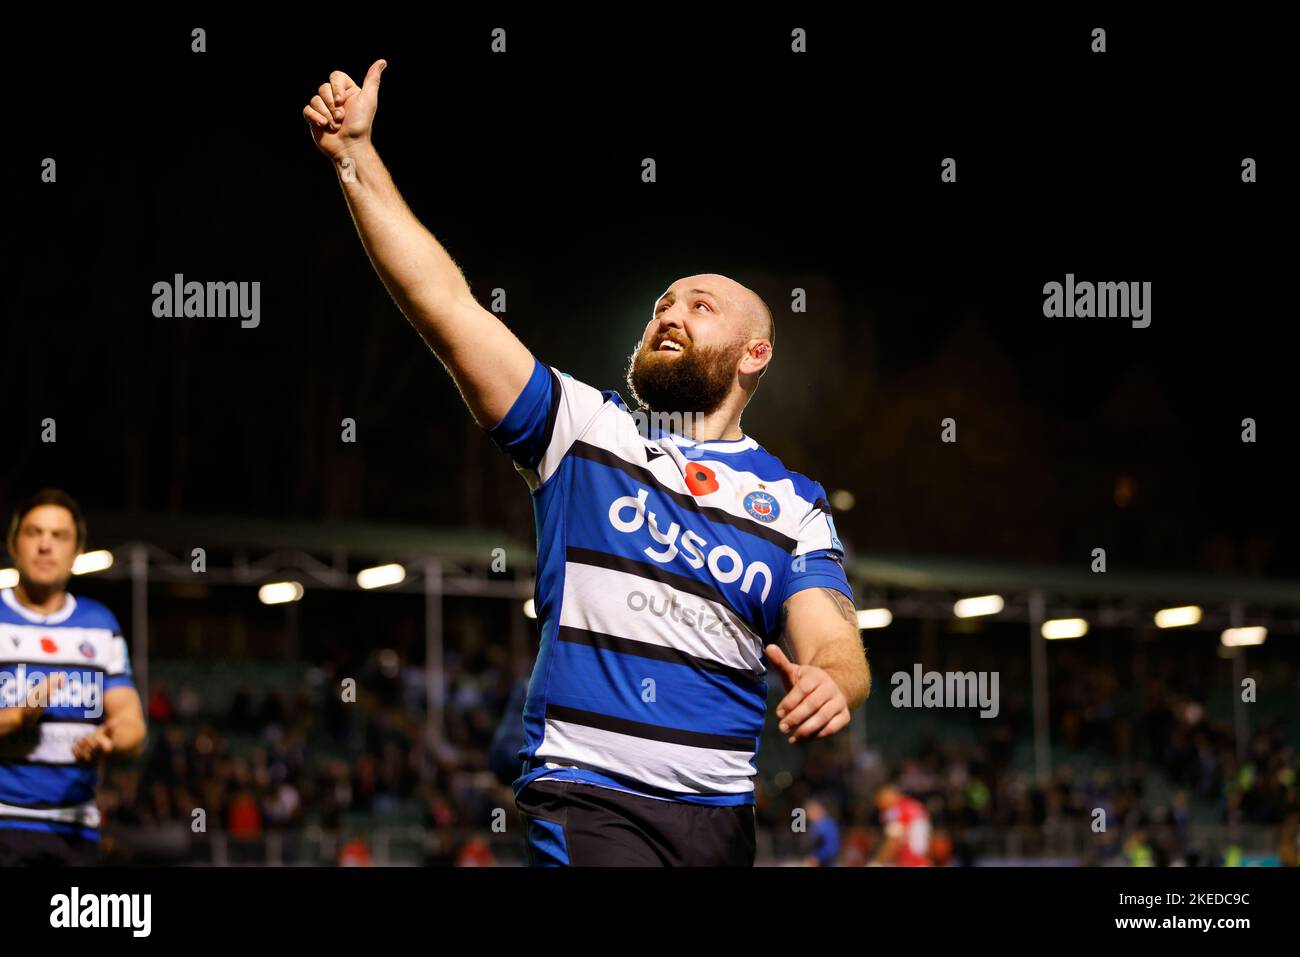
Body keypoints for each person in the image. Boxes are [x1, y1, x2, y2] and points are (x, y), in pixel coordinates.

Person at [304, 62, 871, 866]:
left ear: (756, 353)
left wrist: (829, 681)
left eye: (697, 305)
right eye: (659, 306)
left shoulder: (796, 503)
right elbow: (447, 305)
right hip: (590, 797)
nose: (668, 313)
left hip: (722, 822)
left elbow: (833, 642)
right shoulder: (582, 428)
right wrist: (355, 158)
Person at [0, 489, 146, 865]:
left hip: (76, 830)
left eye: (59, 536)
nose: (45, 546)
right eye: (34, 533)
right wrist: (18, 716)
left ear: (77, 551)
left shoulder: (101, 626)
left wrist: (112, 740)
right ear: (13, 544)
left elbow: (132, 721)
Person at [871, 785, 932, 866]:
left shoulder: (896, 810)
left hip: (908, 862)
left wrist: (876, 863)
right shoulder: (915, 805)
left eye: (879, 800)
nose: (879, 805)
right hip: (921, 861)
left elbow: (892, 842)